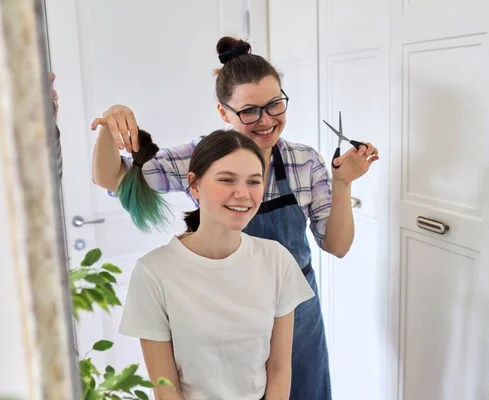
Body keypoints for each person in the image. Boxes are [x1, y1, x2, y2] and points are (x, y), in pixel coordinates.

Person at [91, 36, 380, 399]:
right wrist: (110, 122)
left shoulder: (304, 161)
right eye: (249, 111)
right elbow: (111, 177)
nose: (266, 120)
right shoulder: (204, 157)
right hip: (230, 313)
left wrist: (342, 182)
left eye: (275, 105)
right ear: (223, 113)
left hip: (297, 311)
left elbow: (337, 246)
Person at [118, 128, 315, 400]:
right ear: (195, 185)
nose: (243, 194)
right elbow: (166, 388)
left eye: (254, 182)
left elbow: (280, 369)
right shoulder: (154, 273)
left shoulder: (277, 260)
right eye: (227, 180)